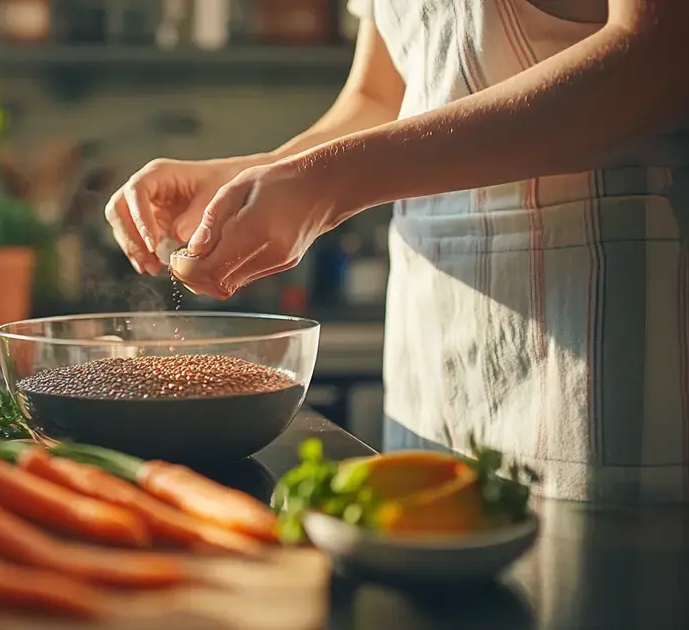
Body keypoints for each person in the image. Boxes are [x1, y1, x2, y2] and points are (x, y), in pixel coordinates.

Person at [105, 0, 689, 502]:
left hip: (604, 318)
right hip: (434, 333)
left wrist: (327, 184)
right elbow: (380, 97)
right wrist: (254, 176)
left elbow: (658, 58)